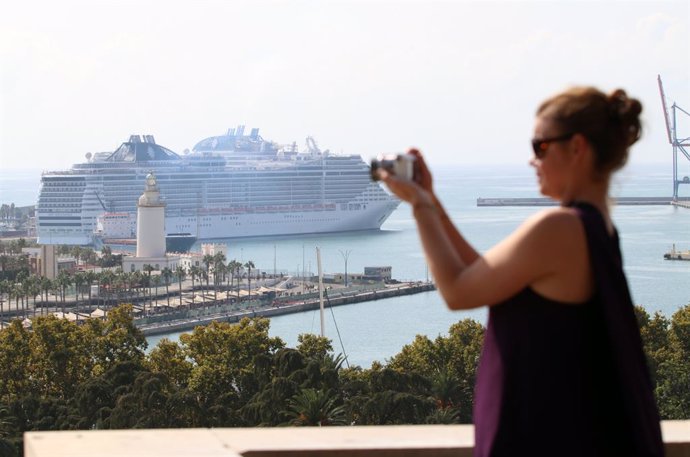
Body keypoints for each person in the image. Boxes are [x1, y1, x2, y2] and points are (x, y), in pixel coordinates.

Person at [378, 87, 664, 456]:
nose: (532, 160)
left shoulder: (558, 228)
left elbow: (457, 292)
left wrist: (419, 206)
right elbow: (481, 273)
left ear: (577, 147)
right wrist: (431, 200)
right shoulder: (596, 229)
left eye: (540, 146)